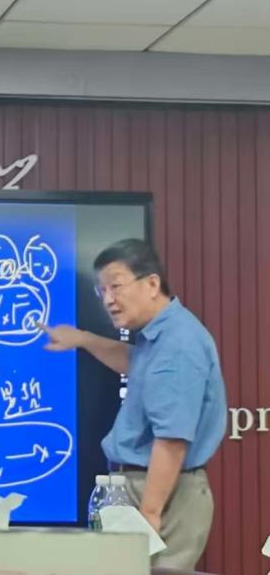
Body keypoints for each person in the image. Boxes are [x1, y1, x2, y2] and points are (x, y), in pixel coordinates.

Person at [39, 238, 226, 570]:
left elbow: (172, 439)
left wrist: (150, 513)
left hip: (163, 492)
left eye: (116, 286)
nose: (108, 299)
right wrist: (82, 339)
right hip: (139, 487)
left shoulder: (178, 344)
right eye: (102, 291)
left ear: (152, 284)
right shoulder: (159, 336)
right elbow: (134, 363)